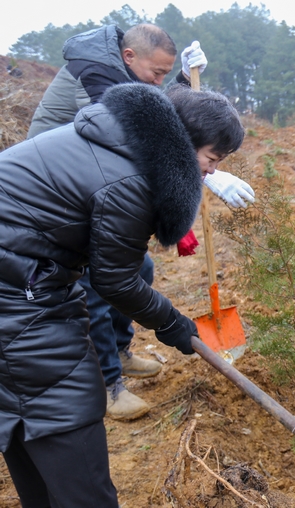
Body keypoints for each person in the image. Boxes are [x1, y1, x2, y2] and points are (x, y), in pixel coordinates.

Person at [0, 82, 245, 507]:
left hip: (24, 279)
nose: (210, 171)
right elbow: (115, 281)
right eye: (212, 158)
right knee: (65, 408)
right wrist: (173, 324)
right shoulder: (129, 179)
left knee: (21, 413)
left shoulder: (115, 137)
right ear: (184, 142)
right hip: (19, 297)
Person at [26, 23, 254, 420]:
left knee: (141, 266)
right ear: (129, 58)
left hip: (78, 189)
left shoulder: (123, 72)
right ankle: (108, 384)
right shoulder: (96, 74)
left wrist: (184, 83)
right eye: (158, 74)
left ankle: (118, 349)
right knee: (95, 288)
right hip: (50, 207)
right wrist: (205, 172)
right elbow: (148, 137)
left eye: (167, 75)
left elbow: (163, 117)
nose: (160, 81)